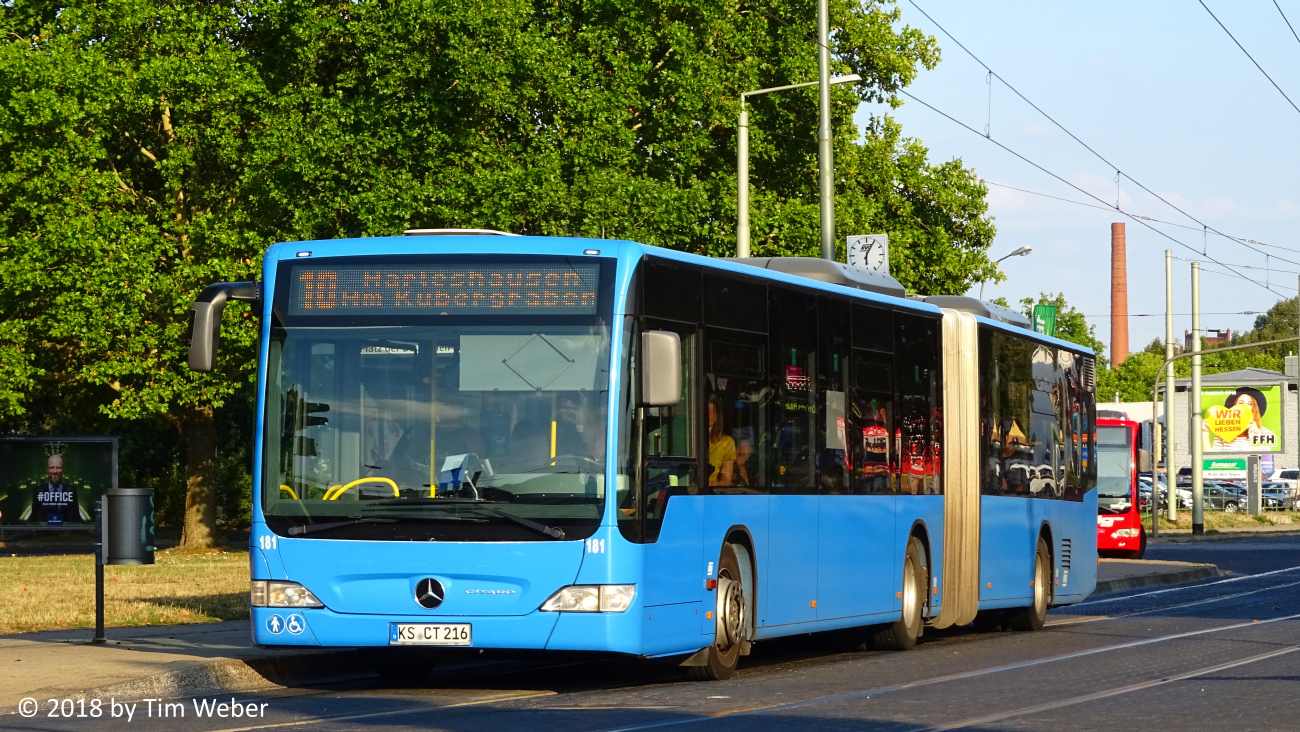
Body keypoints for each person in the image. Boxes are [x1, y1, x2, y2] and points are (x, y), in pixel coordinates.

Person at [21, 454, 90, 524]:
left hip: (65, 533)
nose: (55, 471)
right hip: (44, 533)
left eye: (58, 468)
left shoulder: (71, 491)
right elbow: (34, 519)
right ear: (47, 470)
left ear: (62, 469)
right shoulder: (38, 491)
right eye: (52, 468)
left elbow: (76, 518)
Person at [1204, 387, 1277, 451]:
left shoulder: (1265, 432)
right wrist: (1205, 437)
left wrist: (1255, 437)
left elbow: (1263, 461)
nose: (1245, 407)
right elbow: (1213, 461)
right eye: (1241, 403)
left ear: (1254, 408)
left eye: (1250, 404)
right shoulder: (1222, 430)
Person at [707, 395, 736, 487]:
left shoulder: (727, 442)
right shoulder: (686, 441)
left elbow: (726, 481)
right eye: (705, 411)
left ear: (717, 414)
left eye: (712, 411)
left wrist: (703, 485)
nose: (708, 415)